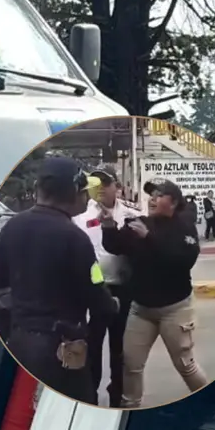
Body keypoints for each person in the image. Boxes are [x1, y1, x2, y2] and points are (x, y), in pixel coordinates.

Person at [0, 156, 118, 405]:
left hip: (20, 343)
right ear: (75, 192)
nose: (88, 197)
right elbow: (97, 293)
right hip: (62, 349)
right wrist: (113, 305)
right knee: (78, 409)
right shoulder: (75, 238)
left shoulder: (12, 227)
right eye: (84, 190)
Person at [100, 179, 208, 408]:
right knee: (130, 364)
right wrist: (108, 226)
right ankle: (130, 407)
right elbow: (115, 246)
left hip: (175, 309)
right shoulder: (139, 222)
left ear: (174, 202)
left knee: (186, 366)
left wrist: (149, 238)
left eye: (159, 195)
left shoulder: (185, 228)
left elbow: (182, 262)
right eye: (151, 195)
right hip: (141, 309)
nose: (152, 199)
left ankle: (211, 403)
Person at [73, 167, 144, 407]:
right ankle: (89, 393)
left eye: (107, 183)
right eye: (97, 183)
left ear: (118, 186)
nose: (102, 188)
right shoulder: (80, 215)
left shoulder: (133, 213)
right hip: (93, 290)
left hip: (123, 288)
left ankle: (118, 394)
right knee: (91, 345)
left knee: (120, 347)